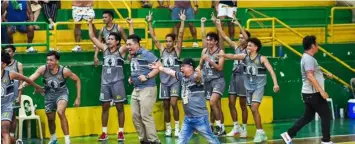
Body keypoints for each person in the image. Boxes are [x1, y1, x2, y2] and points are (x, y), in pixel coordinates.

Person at [218, 21, 280, 143]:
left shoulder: (262, 58)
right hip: (248, 87)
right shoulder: (244, 56)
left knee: (254, 107)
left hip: (258, 87)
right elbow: (233, 56)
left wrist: (276, 83)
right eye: (248, 46)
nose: (248, 47)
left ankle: (259, 132)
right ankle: (261, 132)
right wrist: (223, 55)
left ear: (256, 47)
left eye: (250, 46)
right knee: (252, 109)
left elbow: (271, 71)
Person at [150, 58, 220, 144]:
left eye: (184, 66)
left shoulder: (196, 77)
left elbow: (199, 76)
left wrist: (199, 72)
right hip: (188, 119)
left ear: (191, 68)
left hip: (200, 118)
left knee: (211, 139)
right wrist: (160, 68)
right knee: (181, 141)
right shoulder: (182, 77)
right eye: (181, 66)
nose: (181, 68)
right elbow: (170, 71)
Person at [281, 35, 333, 144]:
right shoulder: (308, 59)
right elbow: (309, 76)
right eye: (317, 44)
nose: (318, 46)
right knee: (326, 115)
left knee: (307, 117)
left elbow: (311, 73)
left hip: (308, 93)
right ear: (313, 45)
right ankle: (326, 140)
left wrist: (323, 74)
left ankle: (288, 134)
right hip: (314, 93)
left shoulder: (307, 58)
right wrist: (321, 91)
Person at [21, 51, 81, 144]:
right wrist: (23, 85)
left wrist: (78, 97)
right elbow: (32, 77)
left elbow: (77, 80)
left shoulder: (64, 71)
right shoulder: (43, 69)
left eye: (51, 60)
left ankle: (67, 140)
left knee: (60, 112)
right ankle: (53, 138)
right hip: (48, 95)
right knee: (50, 119)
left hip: (62, 94)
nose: (48, 62)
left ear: (56, 61)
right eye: (47, 60)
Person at [89, 17, 133, 141]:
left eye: (112, 39)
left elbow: (130, 40)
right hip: (105, 83)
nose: (109, 40)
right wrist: (90, 23)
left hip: (117, 83)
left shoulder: (121, 50)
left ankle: (121, 132)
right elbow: (92, 37)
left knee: (120, 107)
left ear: (117, 42)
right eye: (108, 38)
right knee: (105, 107)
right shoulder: (104, 49)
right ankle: (104, 132)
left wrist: (130, 25)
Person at [147, 10, 185, 137]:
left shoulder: (177, 50)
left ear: (174, 42)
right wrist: (150, 23)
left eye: (170, 41)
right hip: (164, 82)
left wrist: (182, 21)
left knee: (174, 103)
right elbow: (153, 37)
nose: (168, 43)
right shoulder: (162, 50)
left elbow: (180, 35)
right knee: (166, 105)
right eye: (167, 41)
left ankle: (178, 128)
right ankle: (168, 128)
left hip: (174, 82)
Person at [214, 15, 250, 137]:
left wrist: (238, 23)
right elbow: (224, 36)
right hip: (234, 77)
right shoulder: (237, 47)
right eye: (239, 38)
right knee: (231, 103)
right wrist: (217, 24)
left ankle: (244, 128)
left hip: (244, 78)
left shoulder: (249, 50)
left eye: (242, 38)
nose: (240, 39)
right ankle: (236, 127)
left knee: (243, 104)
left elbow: (246, 36)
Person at [1, 51, 44, 144]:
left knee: (4, 131)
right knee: (2, 134)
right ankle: (16, 142)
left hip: (6, 107)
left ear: (4, 64)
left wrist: (37, 86)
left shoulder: (10, 74)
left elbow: (26, 79)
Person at [127, 33, 161, 144]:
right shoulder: (133, 55)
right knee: (135, 115)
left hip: (148, 88)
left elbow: (159, 66)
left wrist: (147, 76)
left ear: (137, 45)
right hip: (136, 89)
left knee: (146, 115)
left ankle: (154, 140)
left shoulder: (146, 53)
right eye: (127, 45)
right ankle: (144, 140)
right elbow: (137, 69)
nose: (128, 47)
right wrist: (131, 77)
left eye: (130, 44)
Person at [197, 28, 226, 135]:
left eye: (211, 40)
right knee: (213, 105)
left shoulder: (220, 52)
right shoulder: (204, 51)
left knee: (213, 102)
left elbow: (220, 67)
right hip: (207, 81)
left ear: (216, 41)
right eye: (207, 40)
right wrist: (196, 72)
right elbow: (200, 66)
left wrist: (210, 61)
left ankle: (219, 127)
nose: (208, 42)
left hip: (218, 80)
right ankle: (214, 126)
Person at [3, 45, 24, 141]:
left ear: (13, 53)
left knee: (13, 116)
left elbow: (21, 81)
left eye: (10, 51)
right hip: (3, 93)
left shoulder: (18, 65)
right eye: (6, 51)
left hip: (13, 92)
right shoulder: (2, 63)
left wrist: (19, 95)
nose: (8, 53)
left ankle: (11, 136)